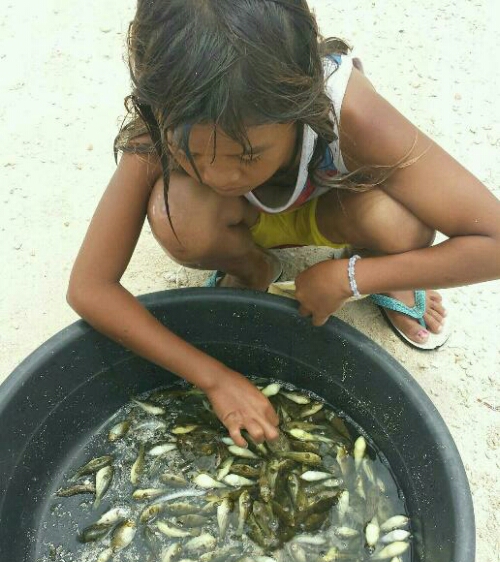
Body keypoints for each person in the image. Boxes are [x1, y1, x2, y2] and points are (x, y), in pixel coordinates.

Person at [67, 0, 500, 448]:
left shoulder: (346, 110)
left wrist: (352, 278)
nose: (219, 177)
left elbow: (494, 240)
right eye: (191, 152)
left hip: (336, 203)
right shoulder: (166, 109)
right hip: (244, 217)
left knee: (402, 226)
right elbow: (89, 287)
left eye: (247, 155)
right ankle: (254, 267)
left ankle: (379, 268)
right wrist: (214, 378)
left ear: (302, 106)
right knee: (177, 216)